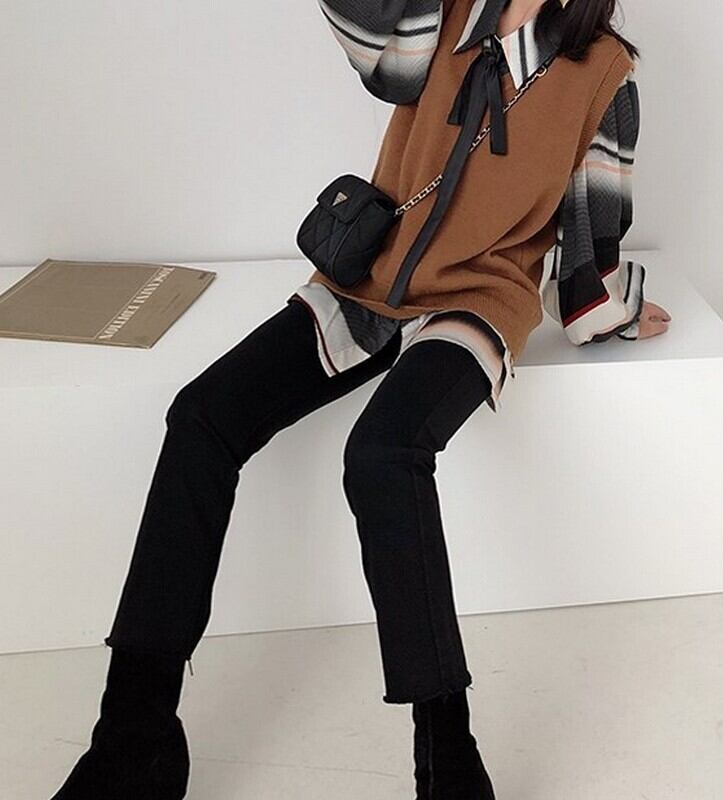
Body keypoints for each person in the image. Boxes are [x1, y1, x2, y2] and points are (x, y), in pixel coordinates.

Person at [48, 1, 670, 798]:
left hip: (475, 301)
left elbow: (588, 254)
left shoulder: (605, 72)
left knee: (382, 455)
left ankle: (447, 754)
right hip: (366, 282)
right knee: (199, 417)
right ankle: (134, 738)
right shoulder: (437, 17)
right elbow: (379, 54)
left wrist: (618, 309)